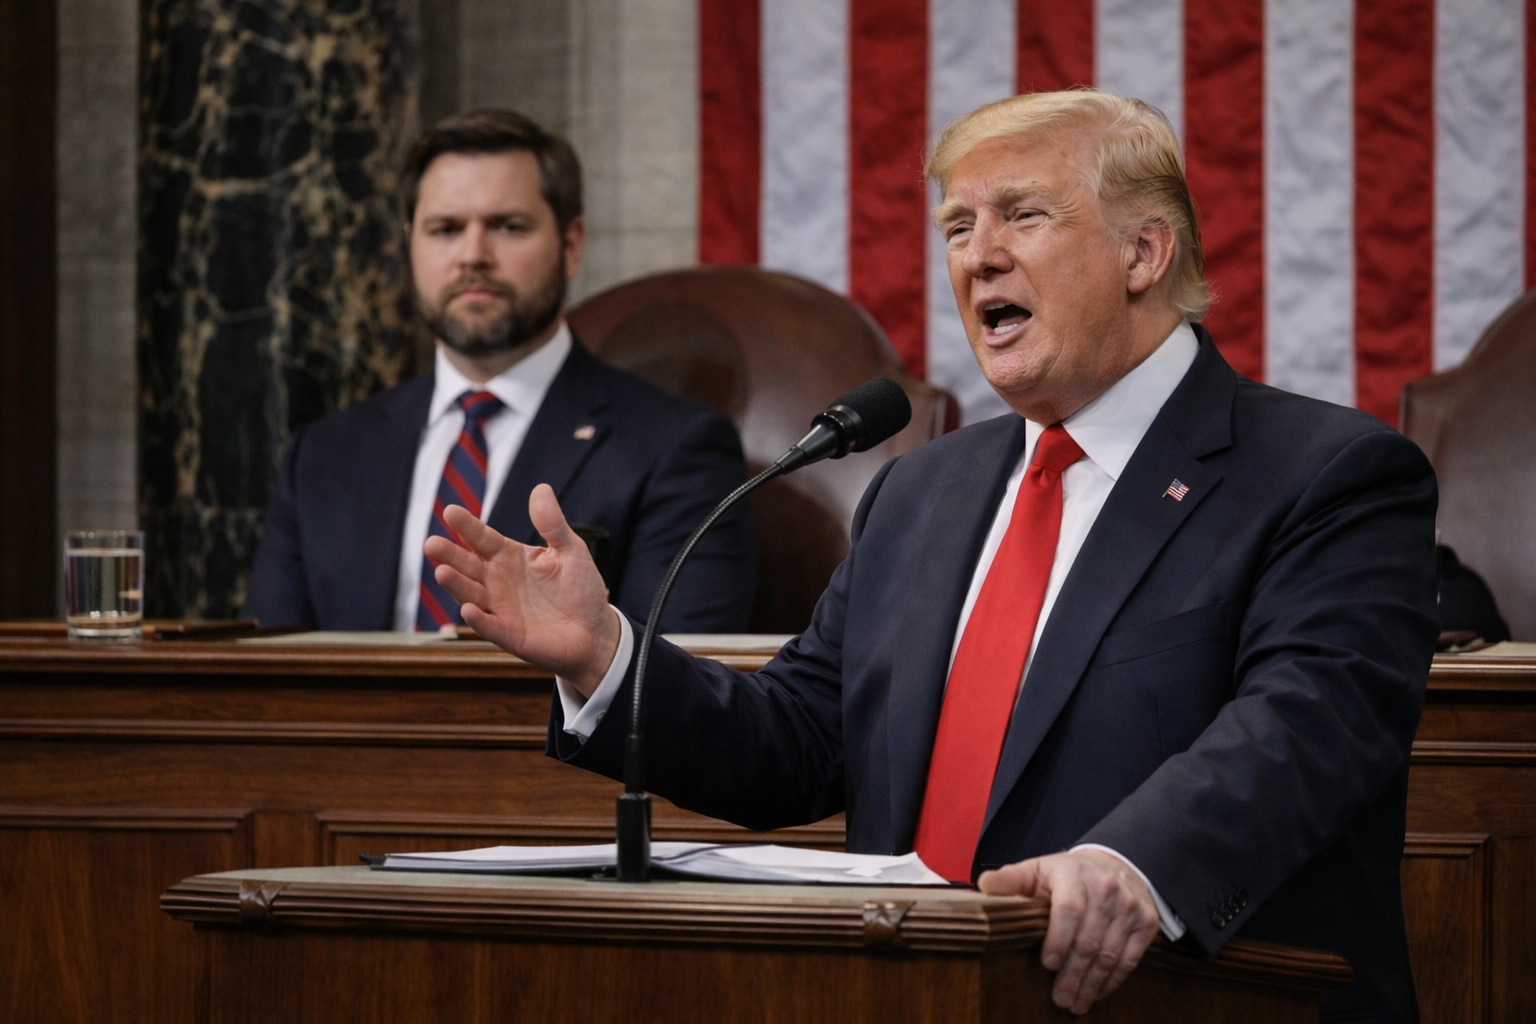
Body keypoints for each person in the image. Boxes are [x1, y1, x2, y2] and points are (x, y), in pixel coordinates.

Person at [426, 91, 1438, 1021]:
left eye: (1023, 216)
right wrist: (606, 655)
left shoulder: (1327, 473)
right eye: (957, 227)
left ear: (1144, 252)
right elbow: (798, 741)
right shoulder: (922, 490)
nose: (978, 257)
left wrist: (1135, 863)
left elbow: (1310, 724)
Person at [243, 109, 755, 633]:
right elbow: (265, 669)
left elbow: (676, 669)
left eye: (508, 227)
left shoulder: (674, 449)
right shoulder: (322, 457)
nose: (473, 256)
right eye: (445, 229)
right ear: (410, 245)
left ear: (571, 245)